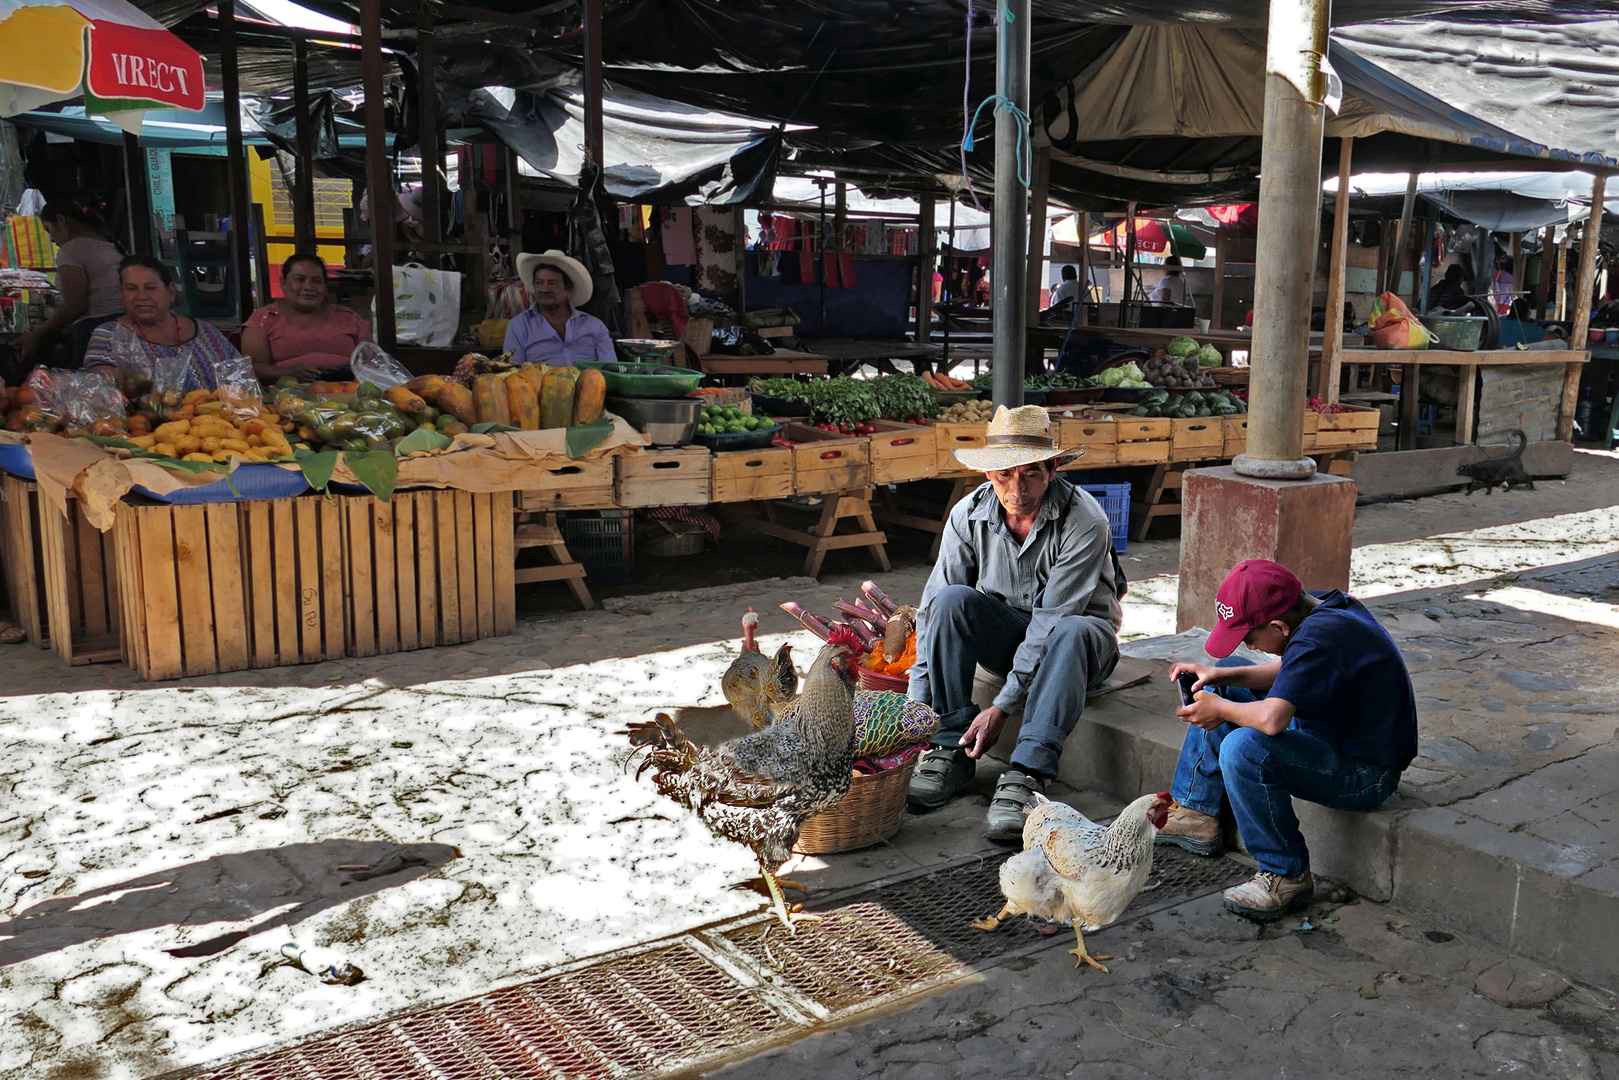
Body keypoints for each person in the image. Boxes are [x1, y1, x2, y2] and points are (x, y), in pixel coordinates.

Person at [905, 405, 1124, 841]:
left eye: (1031, 475)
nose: (1016, 489)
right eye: (1004, 475)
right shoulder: (967, 514)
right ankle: (951, 749)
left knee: (1071, 629)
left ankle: (1028, 773)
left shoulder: (1085, 520)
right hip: (1009, 637)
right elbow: (932, 611)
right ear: (988, 474)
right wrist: (917, 711)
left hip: (1079, 646)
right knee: (951, 601)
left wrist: (1001, 708)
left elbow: (1051, 622)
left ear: (1054, 468)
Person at [1155, 559, 1417, 921]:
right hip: (1325, 740)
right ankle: (1198, 812)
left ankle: (1285, 873)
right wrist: (1221, 676)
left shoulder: (1322, 635)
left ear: (1278, 626)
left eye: (1249, 637)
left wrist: (1222, 709)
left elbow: (1272, 720)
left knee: (1244, 748)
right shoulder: (1322, 608)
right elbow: (1293, 668)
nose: (1248, 644)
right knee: (1223, 683)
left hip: (1365, 773)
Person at [83, 256, 252, 394]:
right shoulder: (109, 334)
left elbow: (244, 380)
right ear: (122, 293)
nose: (141, 296)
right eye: (131, 288)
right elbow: (105, 385)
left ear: (170, 292)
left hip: (223, 426)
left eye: (151, 288)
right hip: (149, 430)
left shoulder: (206, 332)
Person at [11, 200, 124, 367]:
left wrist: (36, 334)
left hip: (96, 332)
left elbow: (75, 306)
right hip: (122, 327)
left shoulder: (71, 249)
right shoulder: (108, 244)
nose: (51, 239)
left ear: (62, 220)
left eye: (49, 230)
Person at [240, 254, 371, 382]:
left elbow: (372, 362)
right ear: (283, 283)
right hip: (286, 398)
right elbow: (251, 367)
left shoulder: (348, 318)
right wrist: (287, 373)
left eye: (316, 281)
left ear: (325, 288)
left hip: (349, 394)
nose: (308, 287)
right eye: (299, 279)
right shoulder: (263, 320)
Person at [503, 249, 616, 367]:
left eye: (552, 283)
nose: (544, 289)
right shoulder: (519, 326)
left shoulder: (595, 327)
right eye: (539, 283)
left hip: (591, 385)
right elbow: (513, 375)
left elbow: (610, 371)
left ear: (569, 290)